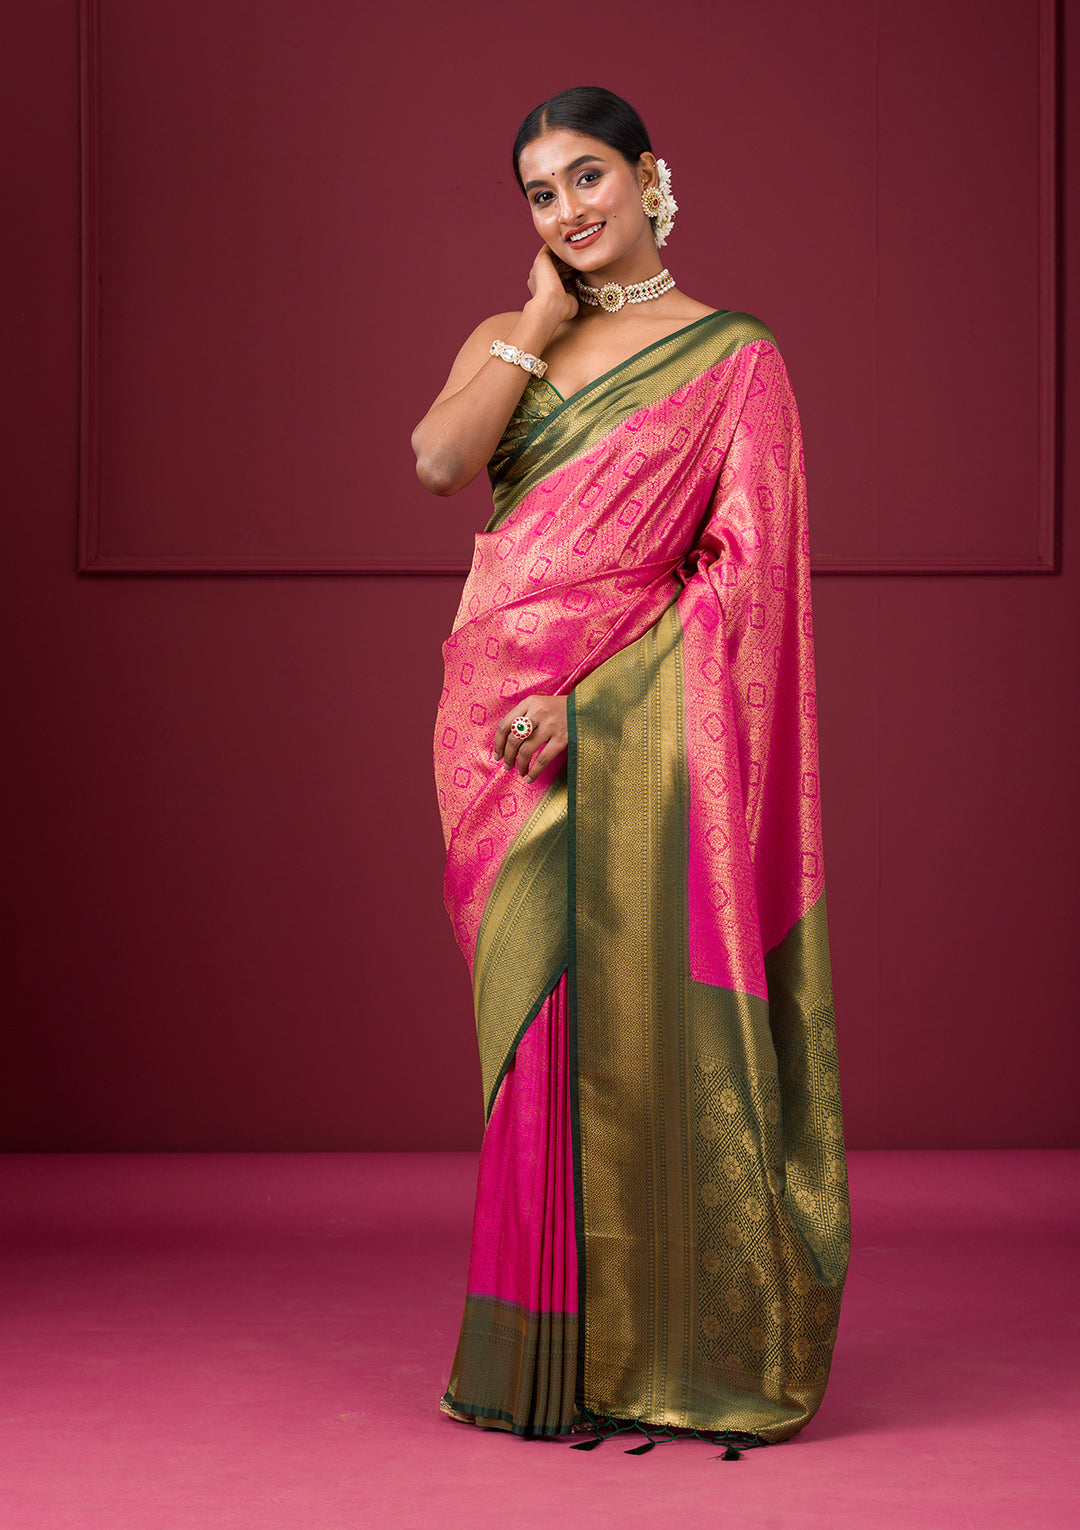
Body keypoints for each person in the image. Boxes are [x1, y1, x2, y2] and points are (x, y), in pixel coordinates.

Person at [411, 85, 851, 1455]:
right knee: (529, 1035)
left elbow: (745, 579)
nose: (569, 210)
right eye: (541, 193)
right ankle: (540, 1354)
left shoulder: (736, 359)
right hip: (490, 726)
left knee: (623, 1017)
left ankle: (653, 1350)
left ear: (650, 174)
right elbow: (437, 460)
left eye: (589, 176)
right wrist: (534, 326)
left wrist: (593, 705)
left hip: (617, 719)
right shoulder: (513, 335)